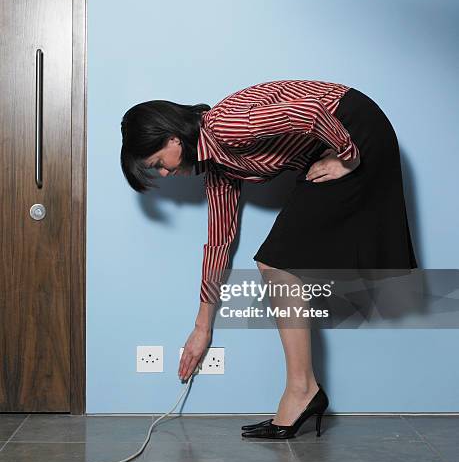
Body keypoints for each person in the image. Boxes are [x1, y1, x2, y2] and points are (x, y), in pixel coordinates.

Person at [120, 79, 418, 439]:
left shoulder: (223, 126)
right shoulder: (219, 169)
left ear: (172, 139)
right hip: (330, 141)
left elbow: (308, 112)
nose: (165, 174)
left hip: (353, 127)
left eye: (159, 164)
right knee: (278, 261)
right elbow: (218, 243)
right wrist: (202, 327)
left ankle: (302, 391)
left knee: (276, 262)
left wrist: (348, 156)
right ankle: (304, 391)